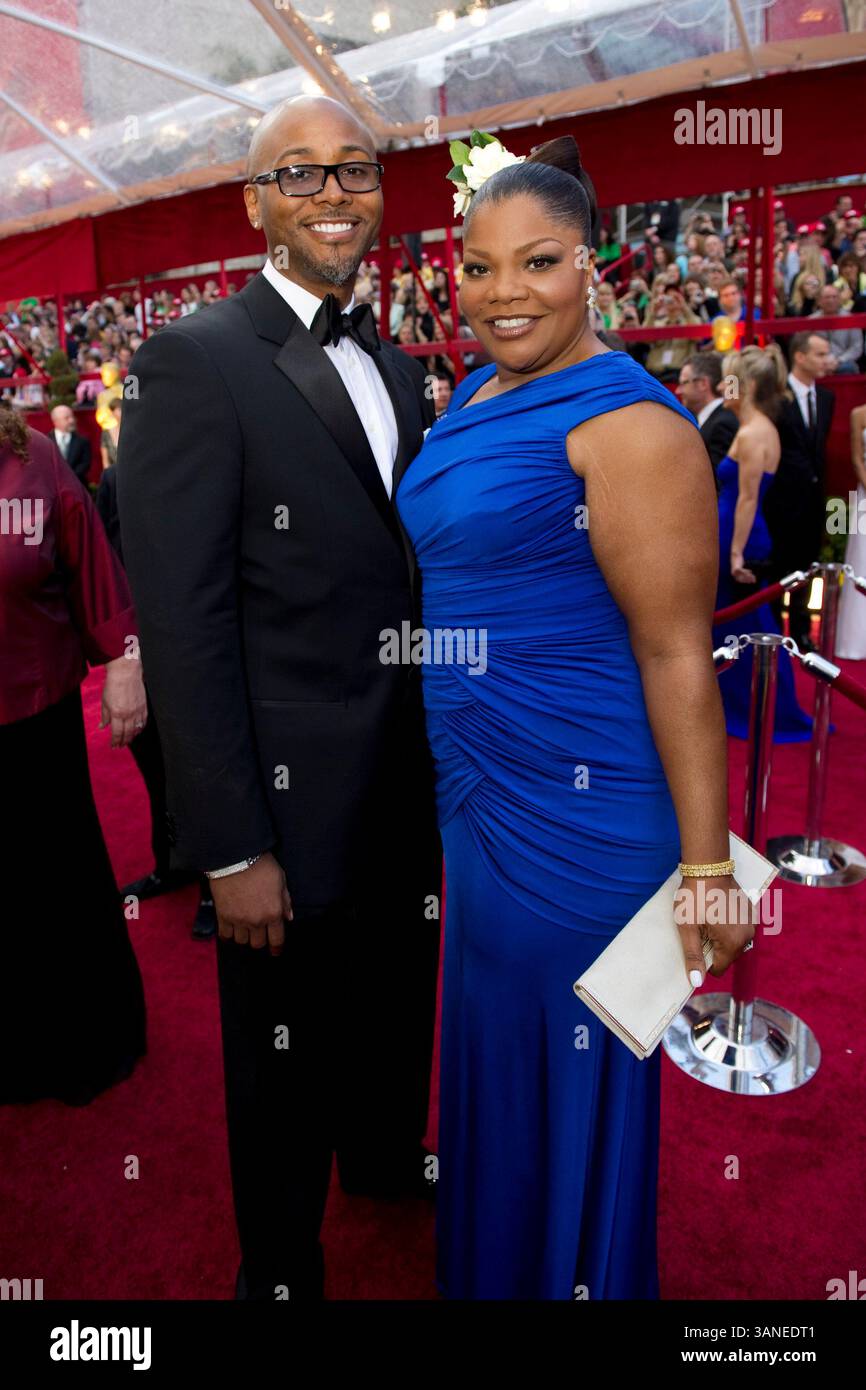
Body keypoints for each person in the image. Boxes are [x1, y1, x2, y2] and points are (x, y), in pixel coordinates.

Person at [396, 135, 753, 1301]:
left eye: (536, 262)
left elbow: (672, 653)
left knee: (570, 1065)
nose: (503, 293)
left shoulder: (631, 429)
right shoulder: (476, 390)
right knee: (499, 1056)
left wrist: (707, 865)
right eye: (478, 266)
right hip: (478, 801)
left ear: (590, 264)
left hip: (581, 820)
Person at [117, 95, 441, 1303]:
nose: (332, 194)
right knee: (280, 1058)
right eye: (298, 174)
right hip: (284, 812)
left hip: (403, 782)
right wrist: (231, 842)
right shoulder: (190, 361)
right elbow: (186, 624)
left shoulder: (397, 360)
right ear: (251, 202)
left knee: (395, 1003)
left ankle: (382, 1161)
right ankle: (280, 1269)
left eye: (353, 171)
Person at [0, 402, 147, 1105]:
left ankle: (86, 1039)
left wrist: (124, 657)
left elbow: (89, 556)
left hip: (34, 711)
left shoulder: (33, 458)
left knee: (57, 870)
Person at [710, 346, 813, 741]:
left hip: (740, 536)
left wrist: (736, 552)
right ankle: (742, 702)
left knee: (746, 623)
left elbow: (749, 498)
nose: (723, 386)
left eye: (730, 379)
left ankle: (759, 706)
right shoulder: (755, 427)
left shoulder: (755, 433)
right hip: (735, 531)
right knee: (741, 622)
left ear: (748, 385)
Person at [764, 331, 835, 650]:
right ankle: (776, 632)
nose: (827, 360)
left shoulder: (826, 399)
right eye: (820, 354)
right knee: (780, 569)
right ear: (800, 357)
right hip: (781, 503)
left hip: (813, 502)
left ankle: (803, 632)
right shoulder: (778, 399)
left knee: (808, 567)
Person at [836, 402, 866, 660]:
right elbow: (857, 459)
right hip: (865, 496)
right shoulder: (858, 414)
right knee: (861, 561)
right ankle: (854, 640)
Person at [676, 351, 738, 473]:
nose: (678, 391)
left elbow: (717, 479)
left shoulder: (722, 424)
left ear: (702, 384)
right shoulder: (711, 420)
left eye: (684, 383)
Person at [49, 402, 91, 483]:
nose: (71, 420)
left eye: (72, 417)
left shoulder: (83, 441)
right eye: (67, 418)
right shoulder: (46, 441)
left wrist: (68, 479)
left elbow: (85, 465)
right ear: (56, 421)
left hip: (77, 485)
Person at [100, 396, 123, 470]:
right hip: (114, 474)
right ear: (112, 412)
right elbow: (105, 461)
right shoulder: (106, 433)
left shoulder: (133, 430)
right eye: (119, 409)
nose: (123, 411)